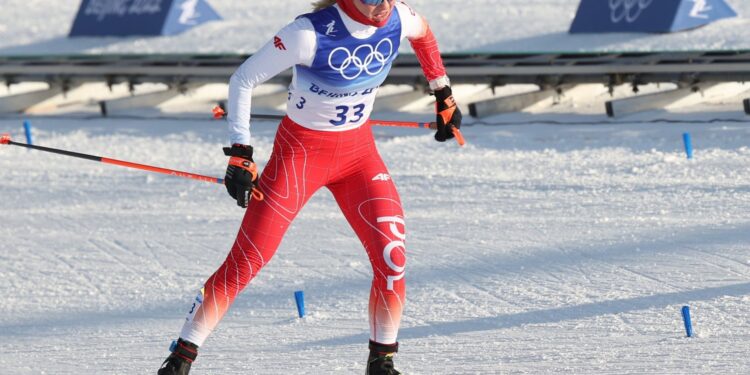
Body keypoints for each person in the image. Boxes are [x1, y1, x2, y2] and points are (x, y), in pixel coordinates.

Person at [157, 0, 461, 374]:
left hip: (358, 158)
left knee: (392, 258)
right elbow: (243, 79)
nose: (381, 5)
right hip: (300, 156)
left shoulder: (398, 16)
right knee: (248, 261)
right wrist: (240, 152)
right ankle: (182, 356)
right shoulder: (309, 32)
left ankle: (381, 362)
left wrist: (443, 94)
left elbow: (425, 35)